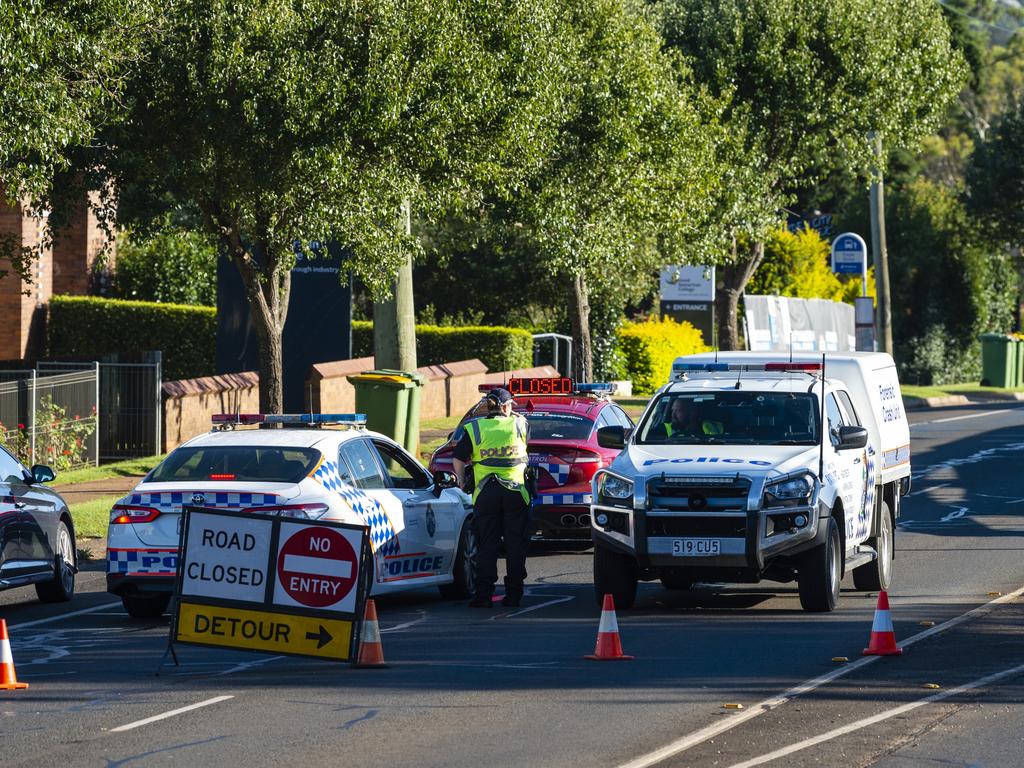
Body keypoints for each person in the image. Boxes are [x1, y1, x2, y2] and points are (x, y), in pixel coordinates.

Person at [452, 387, 531, 608]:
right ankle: (514, 595)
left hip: (485, 493)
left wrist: (460, 479)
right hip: (516, 492)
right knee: (516, 546)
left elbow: (458, 458)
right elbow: (525, 445)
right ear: (506, 406)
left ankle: (483, 595)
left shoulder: (474, 427)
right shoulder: (520, 424)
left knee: (487, 545)